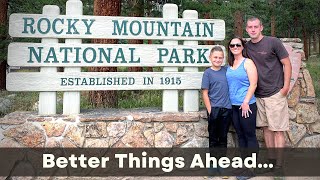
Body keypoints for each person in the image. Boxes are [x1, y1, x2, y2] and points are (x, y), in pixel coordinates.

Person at [245, 17, 292, 172]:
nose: (253, 29)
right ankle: (271, 162)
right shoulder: (246, 47)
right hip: (258, 95)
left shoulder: (273, 42)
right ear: (246, 29)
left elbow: (287, 63)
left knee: (278, 130)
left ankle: (279, 165)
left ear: (261, 27)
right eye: (250, 27)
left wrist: (285, 87)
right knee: (266, 129)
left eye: (255, 27)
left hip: (275, 93)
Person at [226, 37, 258, 180]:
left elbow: (253, 84)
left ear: (243, 46)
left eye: (238, 44)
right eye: (232, 45)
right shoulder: (230, 64)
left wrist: (245, 102)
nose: (235, 47)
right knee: (240, 135)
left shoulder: (248, 63)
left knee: (249, 135)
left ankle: (251, 168)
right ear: (229, 47)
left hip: (247, 105)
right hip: (233, 105)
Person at [202, 46, 232, 150]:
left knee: (223, 137)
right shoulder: (207, 73)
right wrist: (210, 110)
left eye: (220, 57)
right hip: (214, 108)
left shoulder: (227, 70)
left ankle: (222, 162)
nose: (217, 60)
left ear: (223, 58)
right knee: (213, 137)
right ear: (210, 57)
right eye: (215, 57)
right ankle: (213, 163)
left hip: (227, 108)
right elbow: (205, 93)